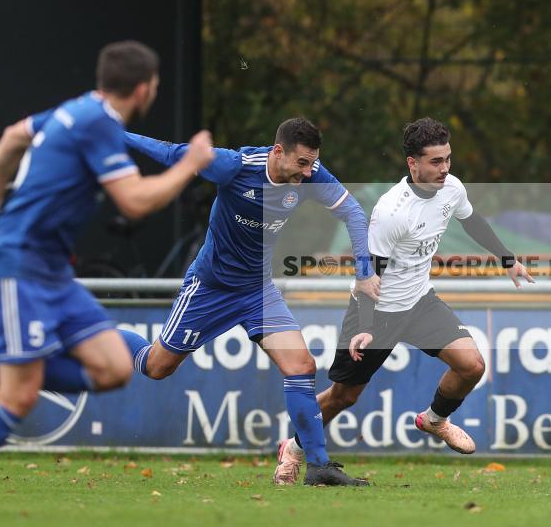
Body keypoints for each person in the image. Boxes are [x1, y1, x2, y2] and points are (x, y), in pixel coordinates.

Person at [0, 41, 214, 465]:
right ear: (144, 89)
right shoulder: (98, 122)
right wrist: (189, 164)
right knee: (18, 399)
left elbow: (12, 138)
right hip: (20, 266)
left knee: (114, 368)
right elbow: (135, 201)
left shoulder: (76, 109)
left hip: (51, 274)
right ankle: (7, 372)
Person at [113, 117, 380, 486]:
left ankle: (318, 467)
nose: (307, 173)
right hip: (210, 288)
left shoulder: (310, 173)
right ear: (277, 152)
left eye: (312, 163)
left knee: (302, 366)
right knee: (157, 366)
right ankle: (106, 337)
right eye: (301, 163)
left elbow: (353, 212)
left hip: (257, 290)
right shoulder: (234, 166)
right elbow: (175, 152)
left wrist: (364, 272)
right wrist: (117, 135)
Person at [273, 117, 534, 485]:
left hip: (420, 302)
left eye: (448, 159)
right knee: (342, 397)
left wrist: (508, 259)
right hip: (377, 310)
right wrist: (365, 328)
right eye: (435, 162)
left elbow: (472, 221)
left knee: (472, 365)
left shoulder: (452, 188)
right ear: (413, 164)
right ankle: (294, 449)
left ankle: (434, 420)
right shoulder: (391, 212)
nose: (445, 169)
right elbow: (368, 276)